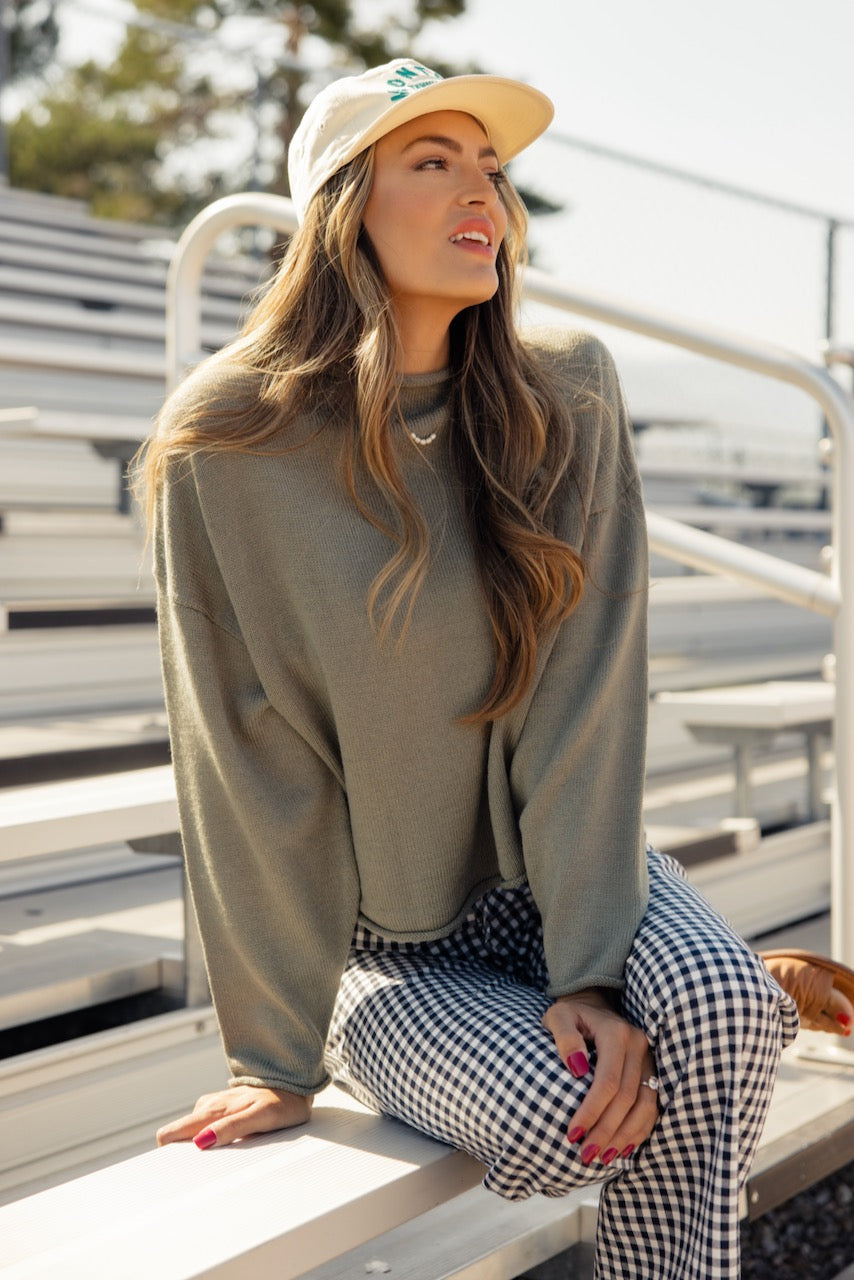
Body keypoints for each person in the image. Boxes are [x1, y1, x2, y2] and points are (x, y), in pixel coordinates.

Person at [140, 59, 853, 1278]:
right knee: (557, 1111)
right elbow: (240, 750)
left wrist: (586, 963)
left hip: (555, 871)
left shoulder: (561, 387)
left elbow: (586, 682)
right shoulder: (227, 439)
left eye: (494, 168)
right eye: (433, 161)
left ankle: (735, 999)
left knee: (718, 1015)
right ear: (343, 206)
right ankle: (739, 988)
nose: (484, 191)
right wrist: (271, 1054)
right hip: (383, 947)